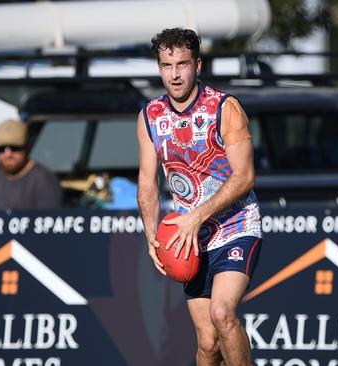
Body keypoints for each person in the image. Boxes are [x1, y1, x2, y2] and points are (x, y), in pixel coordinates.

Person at [137, 28, 262, 366]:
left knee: (223, 314)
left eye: (182, 64)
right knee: (207, 343)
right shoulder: (150, 117)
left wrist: (196, 215)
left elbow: (245, 177)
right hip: (190, 240)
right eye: (166, 65)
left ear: (197, 65)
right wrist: (151, 234)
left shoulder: (224, 107)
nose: (174, 74)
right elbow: (147, 182)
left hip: (236, 226)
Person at [0, 119, 62, 210]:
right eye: (1, 148)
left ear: (27, 146)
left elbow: (49, 220)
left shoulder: (44, 180)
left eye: (14, 147)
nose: (8, 154)